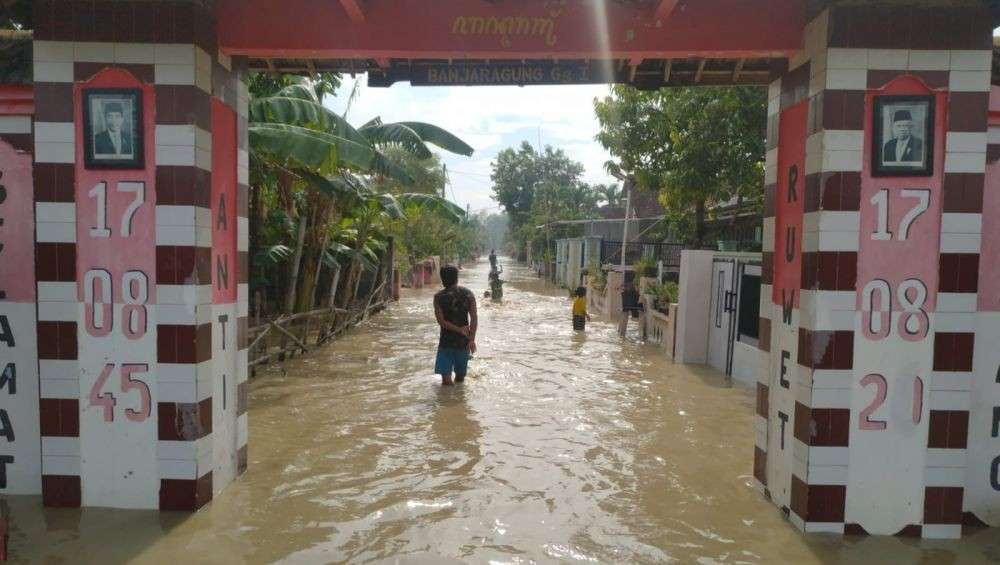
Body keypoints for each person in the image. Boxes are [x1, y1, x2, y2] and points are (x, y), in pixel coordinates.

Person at [434, 265, 477, 386]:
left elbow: (441, 322)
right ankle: (458, 403)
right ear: (457, 278)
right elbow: (474, 318)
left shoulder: (438, 297)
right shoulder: (469, 294)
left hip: (446, 343)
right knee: (460, 379)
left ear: (442, 279)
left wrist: (459, 330)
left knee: (446, 382)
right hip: (463, 343)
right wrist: (472, 339)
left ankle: (447, 403)